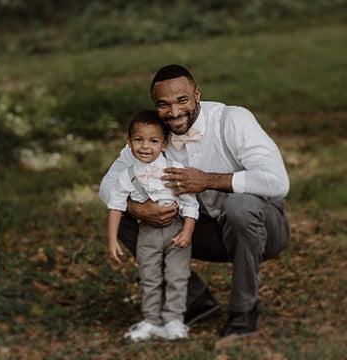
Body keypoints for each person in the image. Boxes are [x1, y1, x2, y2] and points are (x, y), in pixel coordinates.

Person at [100, 64, 290, 338]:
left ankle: (243, 311)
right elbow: (107, 184)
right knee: (122, 215)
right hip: (202, 232)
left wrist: (209, 181)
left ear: (197, 94)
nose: (175, 113)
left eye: (182, 101)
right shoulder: (154, 135)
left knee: (240, 206)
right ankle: (194, 300)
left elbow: (277, 182)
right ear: (155, 106)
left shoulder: (232, 120)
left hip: (263, 230)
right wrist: (137, 208)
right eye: (164, 105)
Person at [105, 109, 199, 341]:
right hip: (147, 232)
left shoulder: (174, 170)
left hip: (176, 230)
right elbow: (115, 205)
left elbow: (190, 202)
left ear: (164, 144)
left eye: (153, 141)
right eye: (139, 140)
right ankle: (151, 320)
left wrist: (187, 231)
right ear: (129, 142)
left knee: (177, 275)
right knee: (150, 277)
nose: (145, 146)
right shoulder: (127, 175)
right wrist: (111, 240)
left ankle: (174, 320)